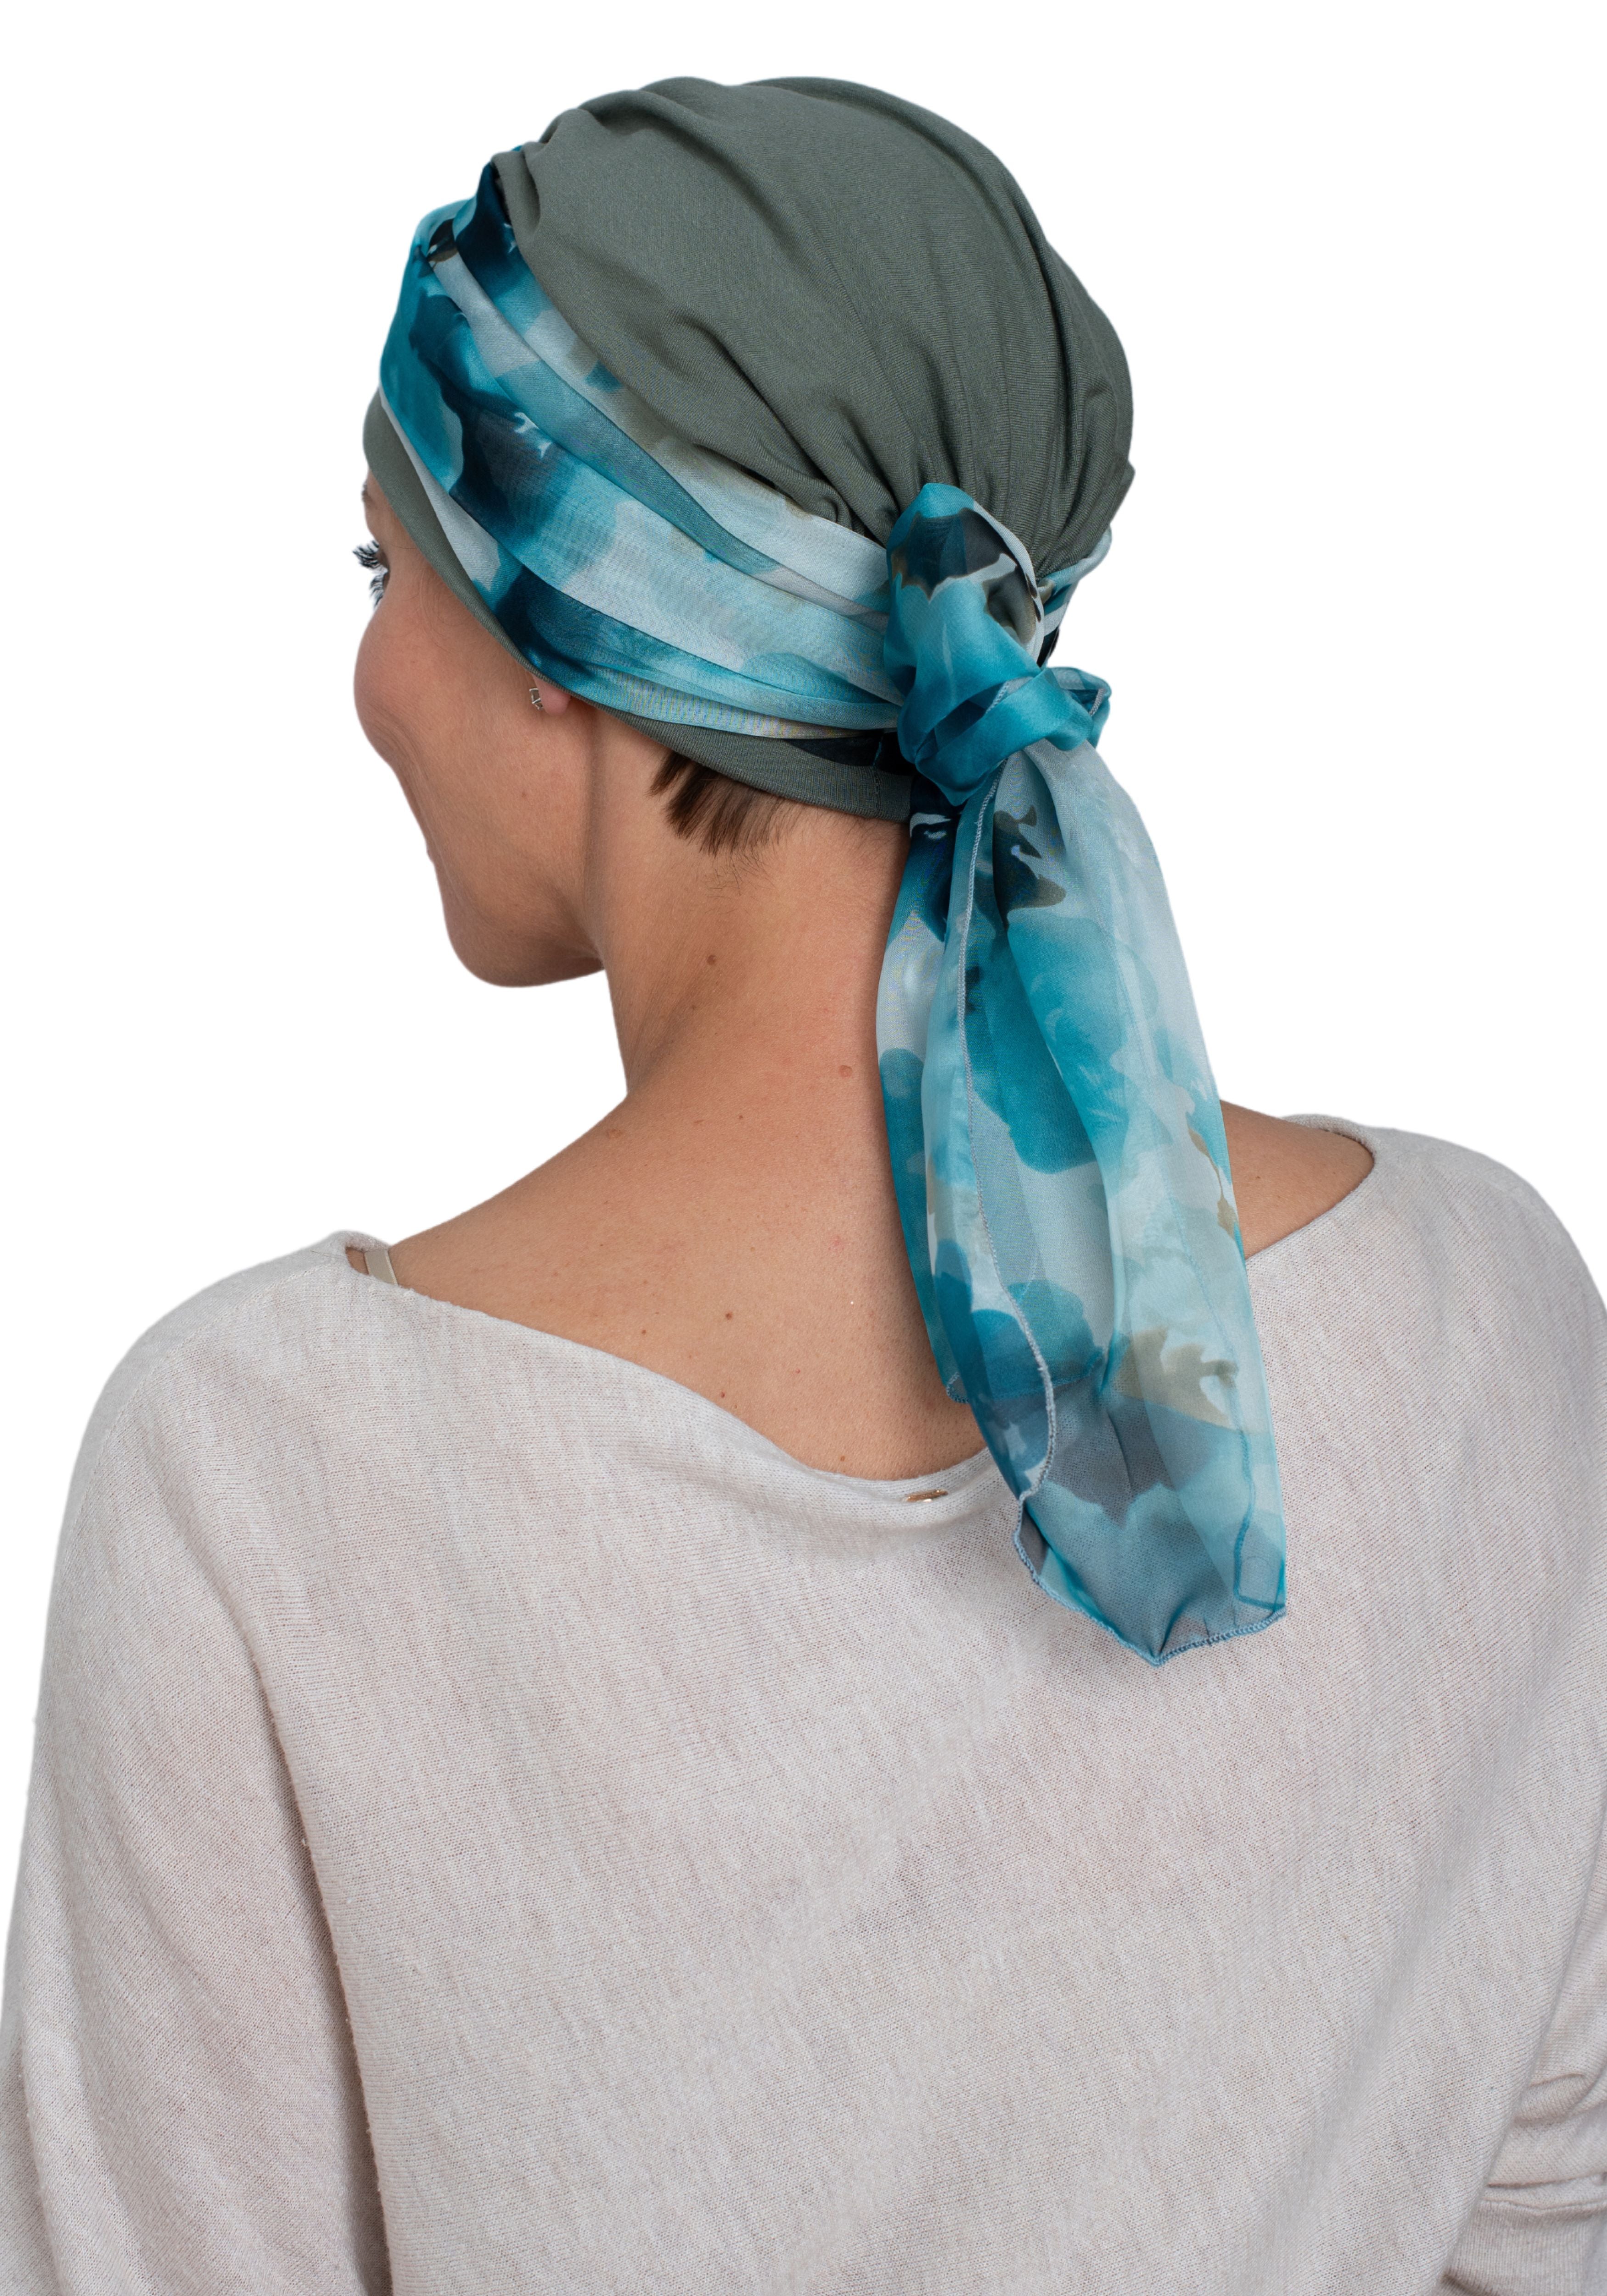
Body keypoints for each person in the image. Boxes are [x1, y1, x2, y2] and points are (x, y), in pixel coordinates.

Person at [1, 75, 1602, 2296]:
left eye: (385, 566)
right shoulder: (1479, 1321)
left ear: (565, 615)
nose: (368, 676)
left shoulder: (262, 1475)